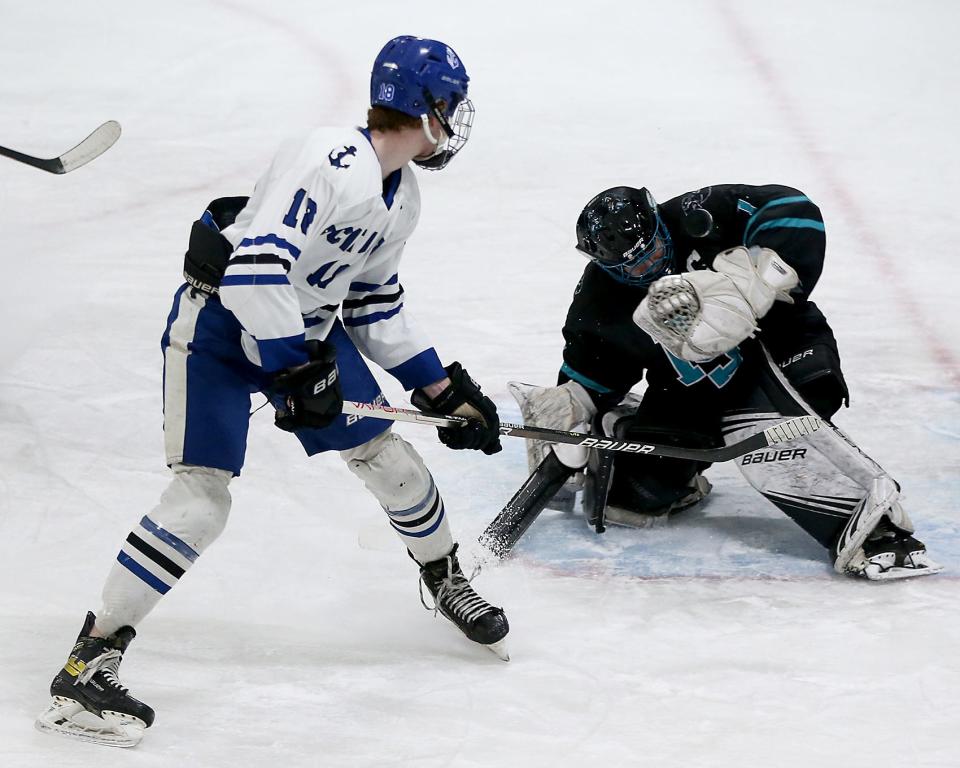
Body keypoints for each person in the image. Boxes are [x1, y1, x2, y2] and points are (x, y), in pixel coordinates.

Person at [36, 36, 509, 748]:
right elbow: (253, 274)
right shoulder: (330, 158)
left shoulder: (401, 195)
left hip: (306, 337)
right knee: (200, 502)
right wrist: (296, 370)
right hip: (221, 332)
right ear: (420, 105)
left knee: (391, 461)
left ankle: (443, 577)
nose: (454, 120)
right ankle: (88, 664)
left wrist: (443, 391)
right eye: (447, 105)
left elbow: (374, 303)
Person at [511, 183, 942, 581]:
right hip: (694, 391)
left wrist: (756, 275)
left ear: (659, 222)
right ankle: (631, 428)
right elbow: (593, 369)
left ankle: (876, 530)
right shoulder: (600, 296)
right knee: (632, 496)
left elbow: (796, 211)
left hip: (784, 346)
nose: (649, 264)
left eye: (652, 249)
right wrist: (572, 402)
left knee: (774, 430)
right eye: (633, 264)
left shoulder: (700, 214)